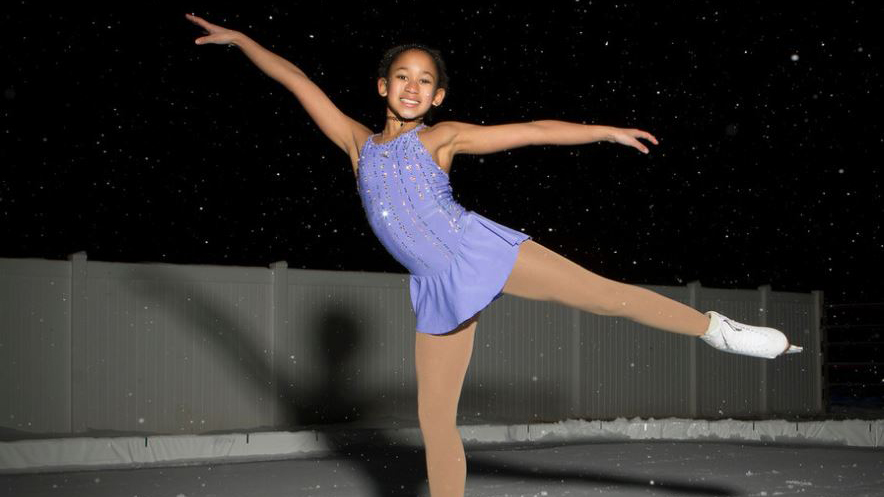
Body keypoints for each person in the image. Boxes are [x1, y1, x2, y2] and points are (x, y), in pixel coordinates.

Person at [186, 13, 802, 497]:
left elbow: (531, 130)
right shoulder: (357, 144)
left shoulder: (442, 137)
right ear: (382, 85)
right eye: (403, 75)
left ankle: (717, 330)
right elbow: (296, 79)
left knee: (607, 296)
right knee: (435, 420)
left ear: (437, 98)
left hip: (478, 249)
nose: (413, 86)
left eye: (425, 81)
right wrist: (241, 40)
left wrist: (603, 131)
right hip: (435, 288)